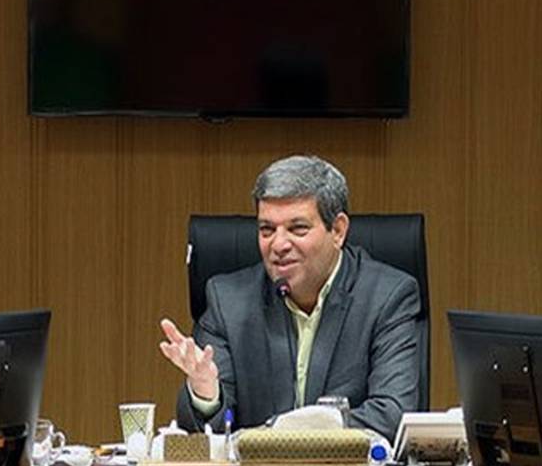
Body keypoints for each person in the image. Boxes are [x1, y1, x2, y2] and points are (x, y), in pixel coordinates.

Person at [159, 155, 420, 440]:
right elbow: (210, 431)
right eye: (267, 230)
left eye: (298, 229)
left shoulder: (387, 297)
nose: (279, 244)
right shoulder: (228, 302)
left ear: (338, 231)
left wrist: (285, 430)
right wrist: (206, 394)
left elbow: (392, 414)